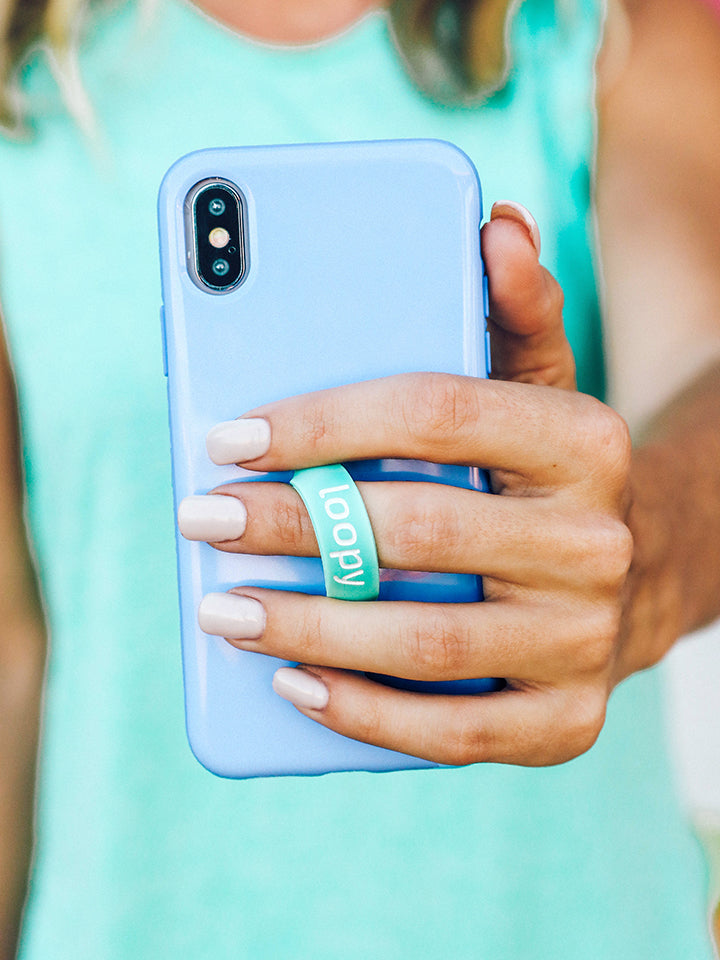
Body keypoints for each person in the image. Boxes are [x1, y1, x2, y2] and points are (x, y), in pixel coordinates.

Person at [0, 0, 718, 957]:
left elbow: (705, 365)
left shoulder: (605, 32)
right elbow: (12, 647)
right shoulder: (22, 86)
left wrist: (642, 562)